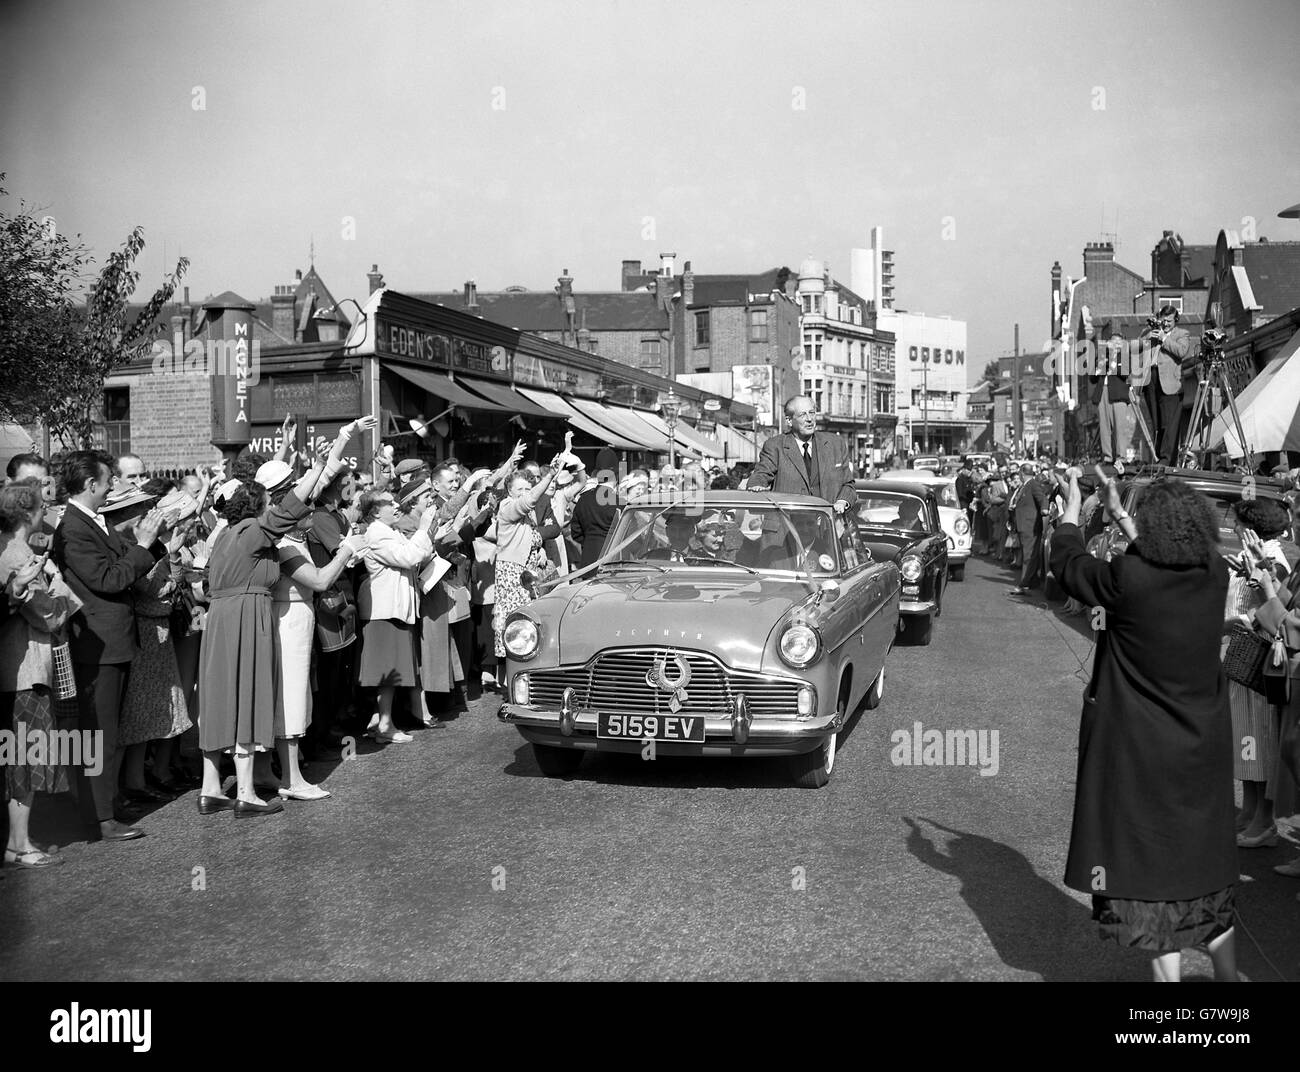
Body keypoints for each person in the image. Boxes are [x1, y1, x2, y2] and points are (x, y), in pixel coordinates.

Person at [1051, 474, 1240, 982]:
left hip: (1142, 749)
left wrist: (1074, 511)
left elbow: (1068, 566)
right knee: (1204, 872)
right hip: (1202, 747)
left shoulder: (1127, 579)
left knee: (1150, 879)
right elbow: (1164, 557)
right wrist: (1121, 516)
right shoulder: (1213, 570)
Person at [197, 420, 372, 815]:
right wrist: (335, 448)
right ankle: (246, 792)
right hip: (251, 618)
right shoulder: (256, 534)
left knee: (222, 699)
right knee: (250, 698)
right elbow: (292, 505)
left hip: (224, 620)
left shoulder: (223, 534)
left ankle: (214, 786)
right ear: (259, 506)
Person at [54, 450, 165, 842]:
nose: (114, 489)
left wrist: (151, 539)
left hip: (112, 641)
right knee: (98, 731)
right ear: (90, 485)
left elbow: (126, 560)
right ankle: (100, 817)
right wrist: (144, 543)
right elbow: (109, 578)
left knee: (107, 729)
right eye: (109, 483)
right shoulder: (73, 527)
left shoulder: (93, 521)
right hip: (96, 644)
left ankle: (105, 804)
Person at [260, 459, 363, 800]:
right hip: (286, 624)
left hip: (299, 622)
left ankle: (274, 772)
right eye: (302, 505)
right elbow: (319, 580)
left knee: (298, 695)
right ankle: (292, 778)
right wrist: (347, 549)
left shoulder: (294, 538)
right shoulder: (284, 545)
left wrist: (334, 451)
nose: (310, 508)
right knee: (289, 699)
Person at [0, 481, 80, 867]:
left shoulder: (10, 549)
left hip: (15, 668)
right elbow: (49, 614)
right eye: (43, 506)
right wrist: (59, 590)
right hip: (26, 668)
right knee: (25, 757)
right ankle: (18, 843)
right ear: (30, 513)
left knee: (19, 755)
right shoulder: (18, 555)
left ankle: (19, 840)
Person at [1223, 502, 1290, 847]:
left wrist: (1260, 568)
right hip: (1243, 658)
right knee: (1245, 739)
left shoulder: (1273, 558)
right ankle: (1249, 810)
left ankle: (1265, 821)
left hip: (1261, 660)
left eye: (1236, 523)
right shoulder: (1251, 553)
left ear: (1253, 527)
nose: (1232, 528)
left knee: (1259, 741)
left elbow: (1273, 602)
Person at [748, 396, 856, 513]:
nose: (809, 419)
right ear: (789, 420)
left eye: (812, 413)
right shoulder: (775, 446)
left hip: (827, 526)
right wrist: (757, 485)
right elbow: (762, 473)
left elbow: (848, 484)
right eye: (802, 415)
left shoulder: (835, 444)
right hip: (788, 526)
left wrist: (842, 501)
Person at [1133, 305, 1196, 466]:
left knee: (1169, 423)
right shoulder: (1152, 333)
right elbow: (1135, 348)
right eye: (1163, 320)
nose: (1166, 324)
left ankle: (1167, 459)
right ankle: (1158, 457)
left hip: (1170, 383)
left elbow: (1182, 351)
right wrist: (1149, 334)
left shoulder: (1182, 334)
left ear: (1175, 320)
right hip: (1151, 380)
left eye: (1169, 321)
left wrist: (1164, 338)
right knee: (1157, 423)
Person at [570, 447, 620, 568]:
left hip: (588, 562)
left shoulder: (583, 499)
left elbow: (576, 532)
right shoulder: (620, 503)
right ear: (617, 476)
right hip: (614, 563)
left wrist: (590, 543)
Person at [1006, 463, 1049, 596]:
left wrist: (1044, 509)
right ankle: (1033, 581)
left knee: (1029, 556)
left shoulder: (1033, 484)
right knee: (1029, 554)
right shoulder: (1025, 485)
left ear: (1021, 473)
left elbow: (1042, 498)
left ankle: (1023, 584)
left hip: (1030, 526)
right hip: (1024, 524)